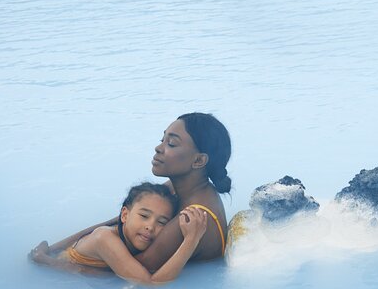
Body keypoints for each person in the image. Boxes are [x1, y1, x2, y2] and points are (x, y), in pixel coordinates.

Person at [31, 112, 232, 276]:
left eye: (171, 144)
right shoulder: (177, 186)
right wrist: (55, 249)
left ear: (198, 161)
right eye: (162, 139)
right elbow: (116, 221)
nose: (158, 148)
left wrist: (48, 262)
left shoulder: (193, 216)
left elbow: (130, 275)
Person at [30, 182, 208, 284]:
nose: (150, 227)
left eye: (162, 222)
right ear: (124, 214)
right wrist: (191, 239)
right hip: (61, 282)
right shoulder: (105, 238)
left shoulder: (129, 231)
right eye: (144, 216)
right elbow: (150, 285)